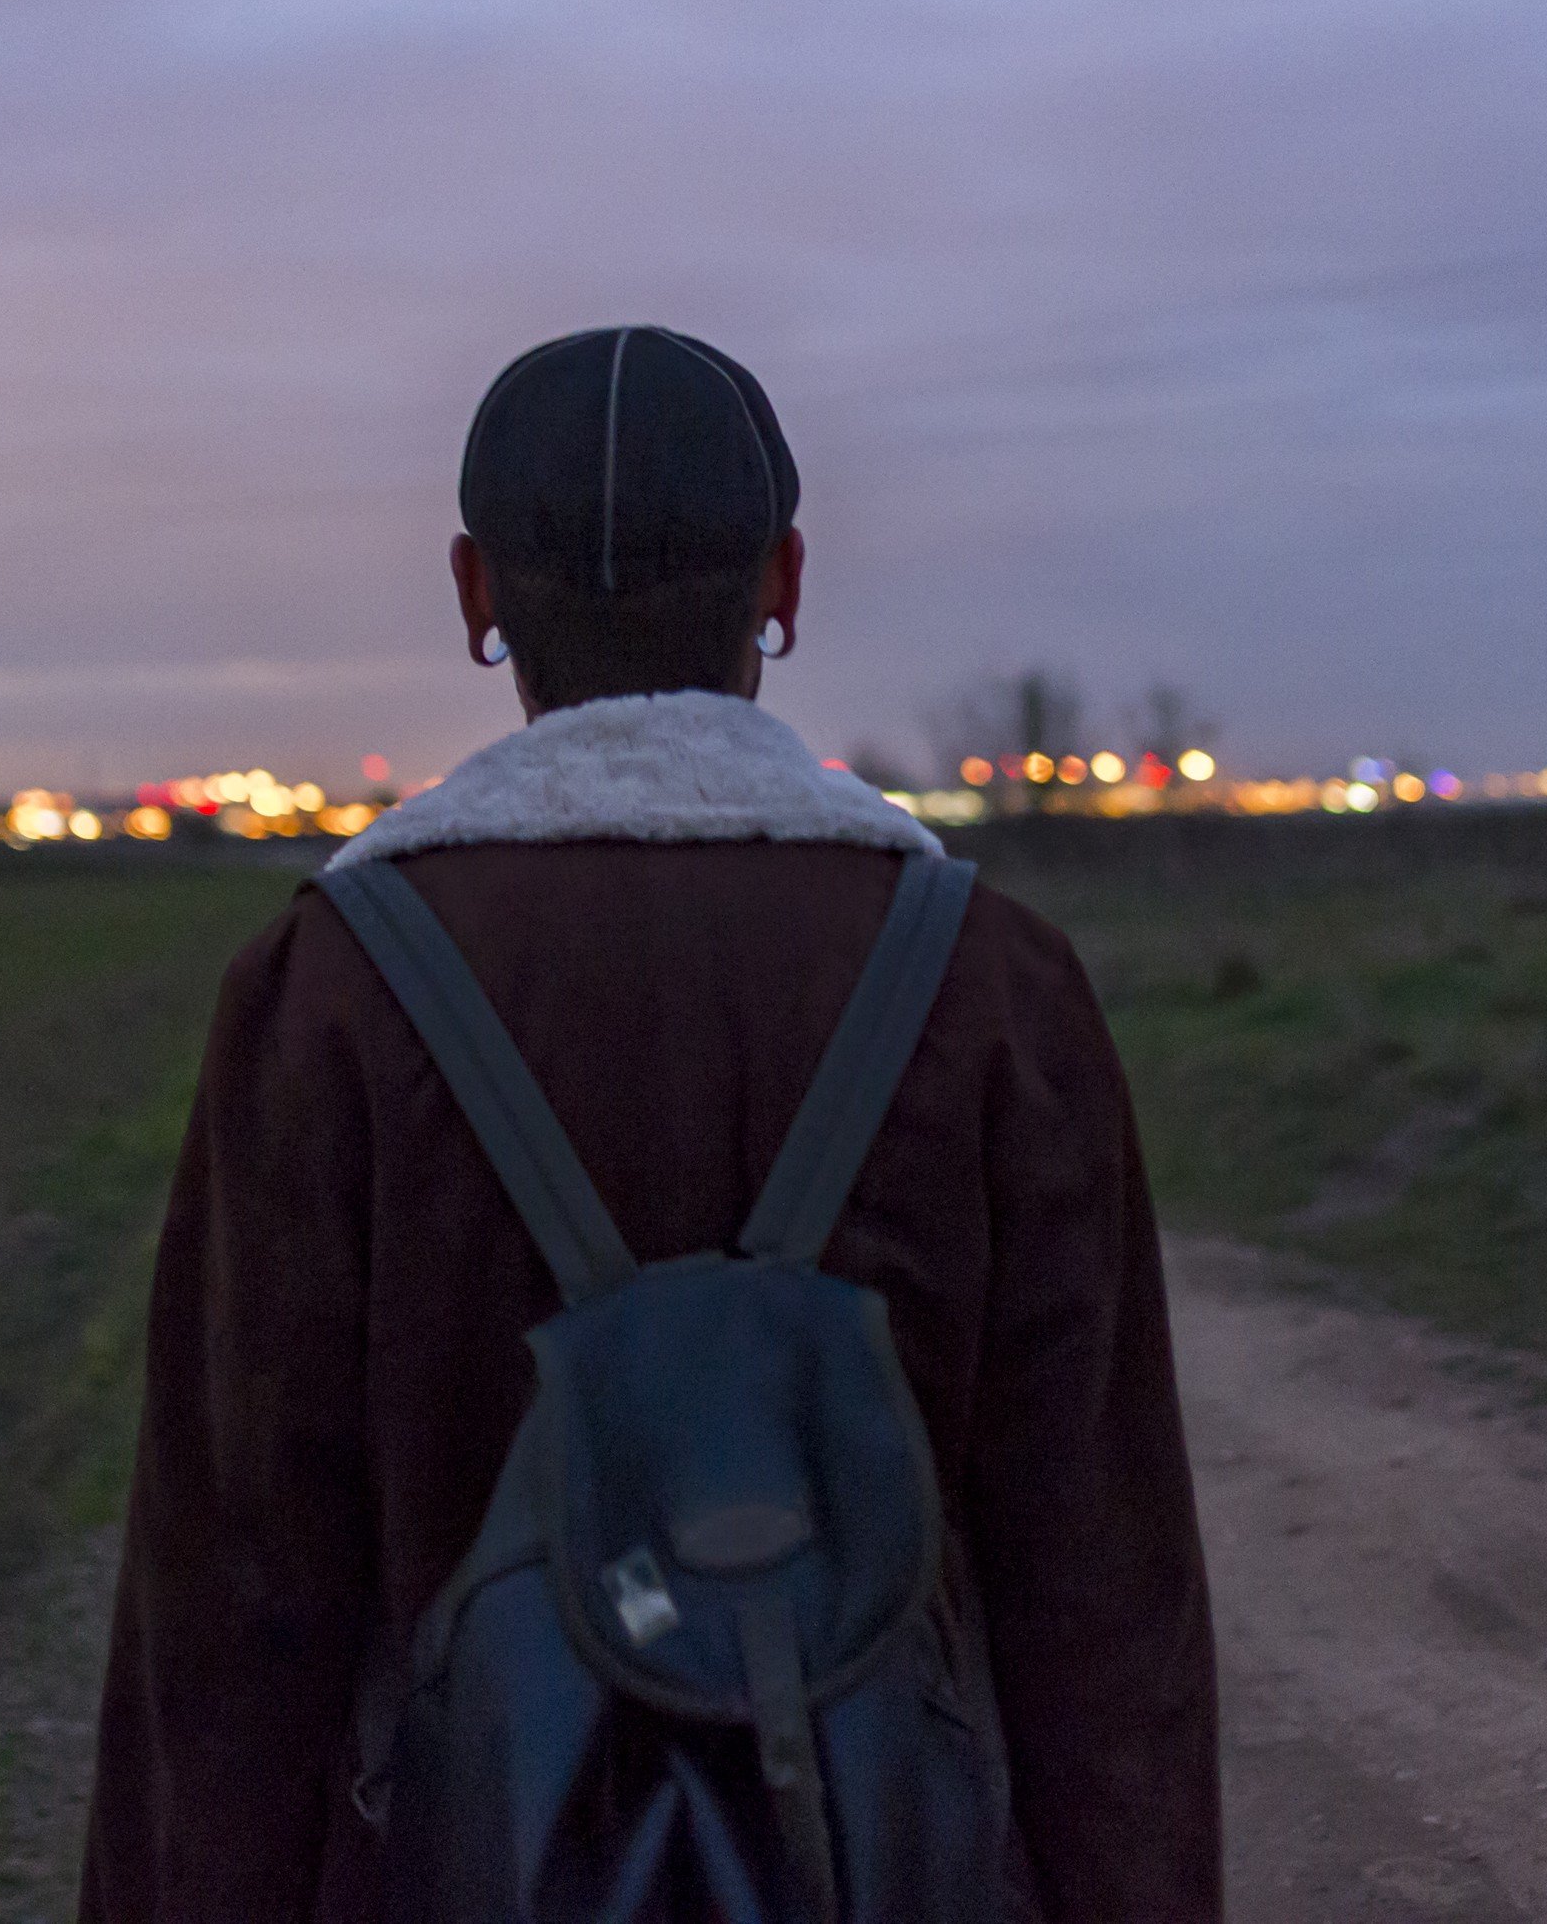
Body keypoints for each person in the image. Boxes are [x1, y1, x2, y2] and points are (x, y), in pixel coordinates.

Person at [79, 326, 1219, 1920]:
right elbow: (1106, 1603)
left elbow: (230, 1614)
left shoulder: (325, 996)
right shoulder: (994, 988)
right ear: (785, 583)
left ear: (477, 592)